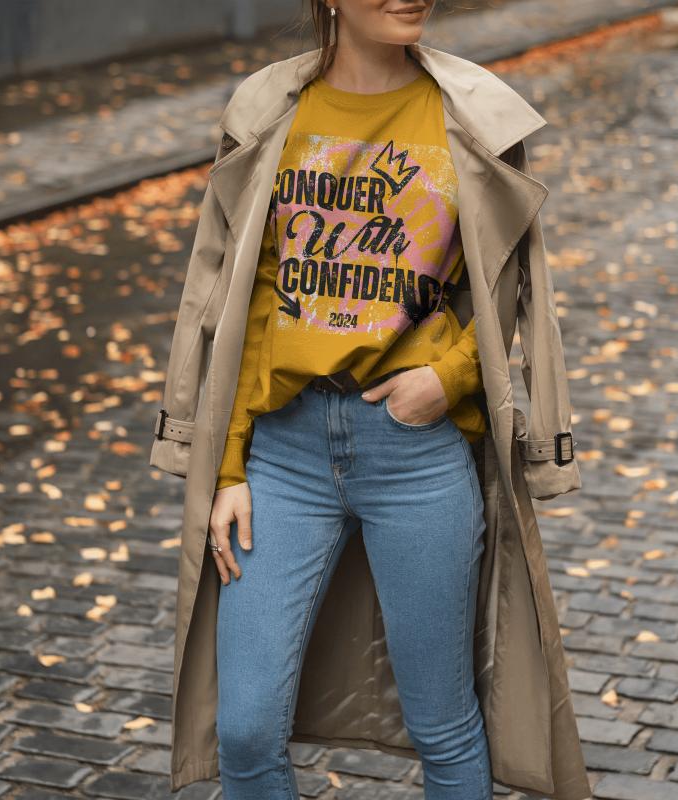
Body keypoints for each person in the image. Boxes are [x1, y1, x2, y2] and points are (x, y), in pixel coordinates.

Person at [208, 1, 496, 797]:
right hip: (285, 455)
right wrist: (229, 466)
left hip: (414, 457)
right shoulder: (272, 112)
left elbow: (513, 288)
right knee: (243, 726)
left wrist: (450, 378)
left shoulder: (468, 115)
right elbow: (247, 307)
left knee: (443, 726)